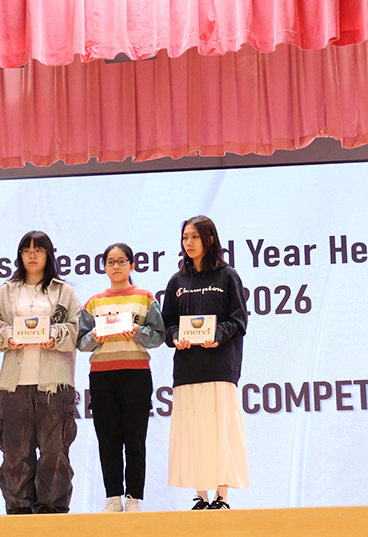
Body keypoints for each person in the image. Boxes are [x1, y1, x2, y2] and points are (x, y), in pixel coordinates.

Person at [0, 231, 82, 514]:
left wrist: (54, 335)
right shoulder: (6, 291)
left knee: (55, 453)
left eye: (39, 250)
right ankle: (19, 513)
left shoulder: (63, 291)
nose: (32, 255)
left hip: (55, 384)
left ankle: (52, 511)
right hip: (14, 385)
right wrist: (9, 336)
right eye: (26, 250)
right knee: (15, 454)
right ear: (20, 256)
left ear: (49, 255)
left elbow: (78, 327)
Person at [162, 215, 249, 510]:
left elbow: (239, 320)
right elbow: (168, 323)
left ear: (210, 240)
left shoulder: (227, 276)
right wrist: (176, 337)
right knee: (193, 432)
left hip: (220, 366)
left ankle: (221, 498)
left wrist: (217, 335)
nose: (188, 243)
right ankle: (201, 496)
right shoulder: (177, 281)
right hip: (188, 369)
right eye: (185, 237)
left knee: (221, 429)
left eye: (195, 237)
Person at [78, 243, 166, 513]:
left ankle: (133, 498)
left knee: (135, 438)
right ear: (104, 267)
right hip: (102, 376)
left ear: (132, 265)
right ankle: (113, 497)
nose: (116, 266)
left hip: (136, 374)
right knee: (108, 438)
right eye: (110, 262)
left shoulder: (145, 297)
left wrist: (137, 331)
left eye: (121, 261)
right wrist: (95, 336)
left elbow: (159, 336)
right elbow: (81, 342)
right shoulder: (94, 302)